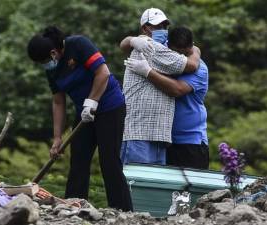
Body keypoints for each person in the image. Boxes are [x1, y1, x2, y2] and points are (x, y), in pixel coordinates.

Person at [27, 26, 132, 211]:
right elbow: (58, 102)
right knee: (78, 160)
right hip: (84, 113)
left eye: (43, 61)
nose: (44, 65)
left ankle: (121, 210)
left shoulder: (79, 44)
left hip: (110, 107)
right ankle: (73, 208)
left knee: (109, 161)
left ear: (53, 52)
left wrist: (92, 102)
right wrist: (57, 137)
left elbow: (103, 73)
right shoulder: (51, 69)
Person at [119, 8, 201, 165]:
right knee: (136, 187)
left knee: (152, 188)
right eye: (158, 27)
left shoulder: (159, 47)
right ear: (145, 28)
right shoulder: (150, 47)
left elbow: (124, 43)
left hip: (156, 134)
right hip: (140, 133)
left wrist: (130, 39)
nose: (163, 30)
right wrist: (196, 49)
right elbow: (190, 65)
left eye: (165, 26)